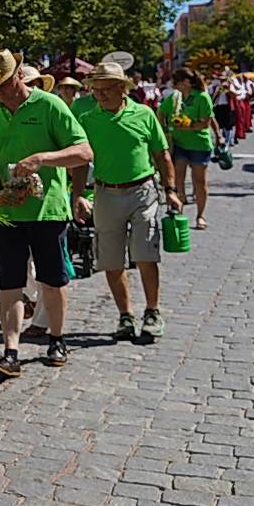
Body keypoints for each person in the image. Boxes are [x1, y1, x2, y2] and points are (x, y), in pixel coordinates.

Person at [0, 50, 93, 378]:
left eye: (5, 85)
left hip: (46, 210)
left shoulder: (50, 105)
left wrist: (44, 158)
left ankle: (57, 339)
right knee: (9, 283)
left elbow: (83, 151)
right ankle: (11, 352)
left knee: (51, 280)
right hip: (5, 210)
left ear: (19, 75)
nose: (1, 93)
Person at [71, 61, 180, 343]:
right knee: (111, 260)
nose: (100, 95)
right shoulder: (87, 120)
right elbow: (82, 162)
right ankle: (125, 315)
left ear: (122, 88)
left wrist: (171, 189)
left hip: (142, 191)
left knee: (145, 254)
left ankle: (152, 312)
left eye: (106, 89)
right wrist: (79, 193)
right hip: (105, 193)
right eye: (96, 90)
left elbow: (162, 155)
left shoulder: (144, 114)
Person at [159, 67, 217, 229]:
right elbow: (161, 110)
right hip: (179, 144)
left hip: (199, 144)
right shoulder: (174, 97)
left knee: (199, 181)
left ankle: (200, 216)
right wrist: (164, 128)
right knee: (178, 180)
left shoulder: (202, 97)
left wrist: (188, 126)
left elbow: (205, 123)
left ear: (185, 82)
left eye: (175, 82)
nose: (173, 85)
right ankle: (180, 213)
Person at [209, 70, 241, 149]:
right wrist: (217, 92)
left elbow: (235, 94)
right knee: (219, 125)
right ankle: (221, 140)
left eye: (223, 79)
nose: (222, 80)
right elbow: (211, 97)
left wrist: (228, 89)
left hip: (228, 107)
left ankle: (229, 141)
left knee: (228, 125)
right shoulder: (214, 86)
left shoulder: (230, 85)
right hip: (218, 106)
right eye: (220, 79)